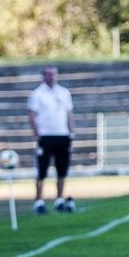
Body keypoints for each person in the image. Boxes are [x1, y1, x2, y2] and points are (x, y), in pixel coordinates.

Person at [27, 66, 75, 214]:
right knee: (42, 170)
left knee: (62, 169)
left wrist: (71, 132)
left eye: (53, 74)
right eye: (48, 74)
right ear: (43, 76)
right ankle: (39, 201)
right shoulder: (37, 94)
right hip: (46, 136)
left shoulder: (64, 92)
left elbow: (69, 113)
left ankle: (59, 199)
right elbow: (32, 115)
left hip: (62, 135)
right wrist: (37, 134)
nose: (51, 77)